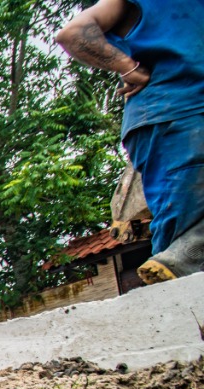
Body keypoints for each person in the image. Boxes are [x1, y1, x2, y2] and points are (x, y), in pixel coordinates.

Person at [56, 0, 204, 283]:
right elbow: (73, 33)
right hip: (178, 114)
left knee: (183, 243)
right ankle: (176, 292)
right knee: (180, 238)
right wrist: (126, 66)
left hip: (172, 115)